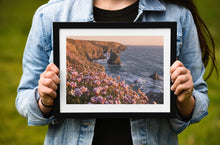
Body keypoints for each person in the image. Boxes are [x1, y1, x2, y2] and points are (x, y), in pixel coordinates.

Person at [16, 0, 217, 145]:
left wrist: (184, 100)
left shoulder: (178, 14)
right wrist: (45, 101)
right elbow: (24, 96)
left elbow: (199, 99)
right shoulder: (50, 14)